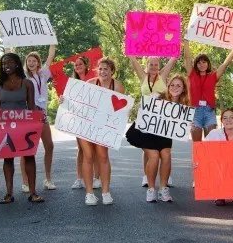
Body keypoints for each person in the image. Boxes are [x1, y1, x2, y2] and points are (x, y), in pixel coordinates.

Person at [127, 74, 187, 203]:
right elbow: (141, 109)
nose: (175, 87)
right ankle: (151, 189)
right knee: (154, 156)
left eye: (178, 85)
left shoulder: (183, 104)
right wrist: (144, 107)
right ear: (168, 86)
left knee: (166, 154)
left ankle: (164, 189)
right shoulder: (157, 96)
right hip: (145, 132)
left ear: (183, 89)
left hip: (164, 134)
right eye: (172, 85)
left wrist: (189, 126)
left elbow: (180, 125)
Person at [0, 53, 44, 204]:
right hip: (5, 126)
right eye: (3, 64)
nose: (5, 66)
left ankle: (33, 192)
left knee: (29, 157)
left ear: (16, 64)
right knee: (7, 159)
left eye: (9, 62)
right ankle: (9, 194)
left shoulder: (27, 83)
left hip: (23, 126)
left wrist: (39, 118)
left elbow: (32, 106)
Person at [81, 57, 126, 206]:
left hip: (104, 127)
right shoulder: (90, 84)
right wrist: (64, 101)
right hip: (87, 125)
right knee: (88, 156)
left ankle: (106, 192)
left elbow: (120, 110)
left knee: (103, 156)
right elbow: (80, 102)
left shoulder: (118, 86)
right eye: (100, 69)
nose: (103, 71)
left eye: (106, 69)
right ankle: (89, 193)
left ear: (112, 71)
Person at [128, 55, 177, 188]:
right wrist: (128, 45)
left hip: (162, 117)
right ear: (147, 65)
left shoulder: (163, 75)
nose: (154, 67)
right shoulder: (143, 77)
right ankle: (146, 175)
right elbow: (133, 59)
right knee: (148, 149)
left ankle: (165, 176)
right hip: (146, 117)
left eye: (156, 65)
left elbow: (173, 59)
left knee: (164, 150)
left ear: (159, 66)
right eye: (151, 65)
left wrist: (178, 44)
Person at [18, 46, 57, 193]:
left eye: (34, 60)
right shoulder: (23, 76)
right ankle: (25, 182)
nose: (31, 63)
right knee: (26, 149)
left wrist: (52, 40)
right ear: (26, 63)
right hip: (28, 115)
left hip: (42, 115)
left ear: (38, 63)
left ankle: (48, 179)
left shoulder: (43, 74)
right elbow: (10, 55)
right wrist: (8, 44)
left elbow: (51, 55)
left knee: (50, 145)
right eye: (29, 60)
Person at [183, 41, 233, 141]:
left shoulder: (213, 76)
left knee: (211, 144)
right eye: (199, 63)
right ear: (196, 65)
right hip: (195, 113)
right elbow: (187, 58)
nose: (201, 64)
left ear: (208, 64)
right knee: (197, 145)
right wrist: (186, 42)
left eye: (204, 62)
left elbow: (225, 64)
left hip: (209, 112)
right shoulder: (192, 74)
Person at [203, 108, 233, 206]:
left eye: (231, 117)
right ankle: (219, 193)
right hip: (219, 167)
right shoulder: (214, 134)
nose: (228, 120)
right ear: (221, 121)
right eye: (225, 118)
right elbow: (202, 151)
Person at [70, 55, 101, 190]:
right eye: (76, 65)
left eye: (80, 64)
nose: (77, 67)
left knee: (94, 150)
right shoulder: (72, 82)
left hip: (93, 118)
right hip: (79, 119)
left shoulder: (94, 80)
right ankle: (79, 178)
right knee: (81, 150)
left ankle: (97, 178)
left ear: (85, 66)